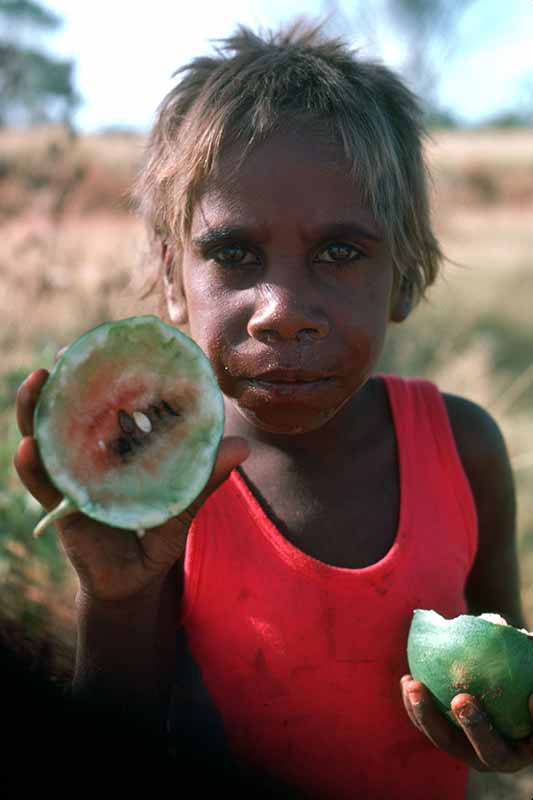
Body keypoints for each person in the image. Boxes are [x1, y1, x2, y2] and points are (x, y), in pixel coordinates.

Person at [14, 19, 533, 799]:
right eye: (232, 254)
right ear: (170, 276)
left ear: (404, 271)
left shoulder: (465, 449)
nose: (281, 311)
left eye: (340, 251)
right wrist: (113, 597)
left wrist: (511, 739)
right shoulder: (159, 492)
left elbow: (508, 670)